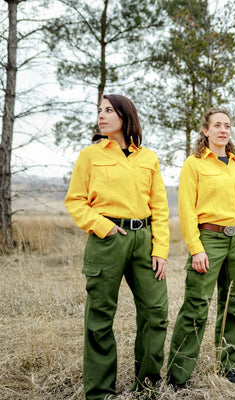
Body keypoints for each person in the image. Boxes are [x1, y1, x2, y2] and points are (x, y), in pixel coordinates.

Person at [64, 94, 170, 400]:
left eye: (109, 110)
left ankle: (147, 385)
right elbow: (75, 201)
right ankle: (100, 392)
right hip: (107, 239)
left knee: (156, 312)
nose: (102, 115)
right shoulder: (90, 155)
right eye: (99, 111)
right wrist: (103, 226)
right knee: (100, 316)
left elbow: (160, 208)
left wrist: (160, 250)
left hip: (145, 240)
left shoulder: (148, 157)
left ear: (125, 116)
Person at [166, 107, 235, 388]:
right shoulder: (194, 164)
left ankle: (229, 367)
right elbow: (186, 210)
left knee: (233, 305)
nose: (222, 130)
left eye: (227, 125)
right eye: (217, 125)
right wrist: (196, 248)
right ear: (205, 130)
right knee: (196, 306)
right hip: (209, 239)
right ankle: (178, 375)